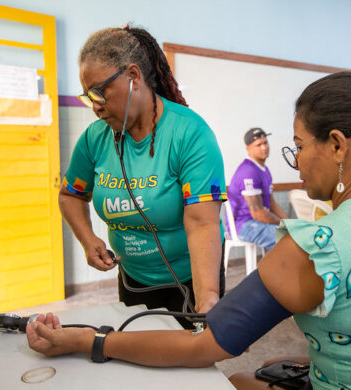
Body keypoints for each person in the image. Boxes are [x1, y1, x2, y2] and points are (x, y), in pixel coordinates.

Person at [27, 72, 351, 389]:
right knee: (276, 361)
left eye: (298, 145)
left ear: (336, 145)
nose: (292, 157)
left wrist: (88, 340)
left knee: (237, 377)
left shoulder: (320, 246)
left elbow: (204, 346)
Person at [60, 25, 227, 327]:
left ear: (133, 76)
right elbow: (70, 194)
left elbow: (202, 222)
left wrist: (208, 296)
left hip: (191, 277)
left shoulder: (190, 134)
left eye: (100, 92)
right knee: (139, 356)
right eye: (88, 97)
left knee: (190, 363)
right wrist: (88, 240)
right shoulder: (94, 138)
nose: (96, 107)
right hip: (134, 276)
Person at [227, 128, 289, 250]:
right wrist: (284, 225)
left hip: (258, 222)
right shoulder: (248, 171)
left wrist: (291, 223)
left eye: (265, 143)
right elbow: (258, 214)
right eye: (258, 145)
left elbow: (272, 203)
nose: (264, 147)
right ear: (248, 148)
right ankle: (275, 268)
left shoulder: (265, 170)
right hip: (244, 225)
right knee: (287, 239)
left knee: (293, 235)